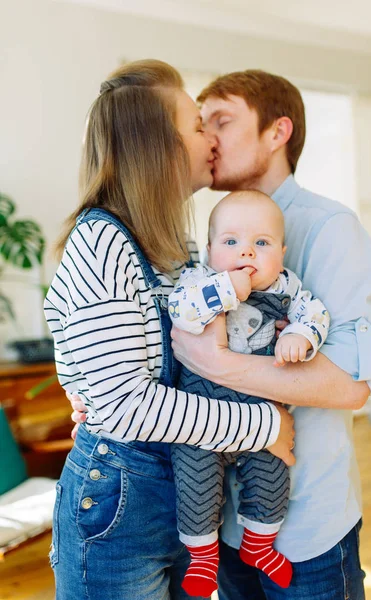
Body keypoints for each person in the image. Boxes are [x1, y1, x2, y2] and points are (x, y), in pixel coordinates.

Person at [44, 59, 295, 600]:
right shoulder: (102, 243)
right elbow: (123, 406)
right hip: (120, 507)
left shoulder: (175, 248)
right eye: (196, 124)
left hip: (177, 489)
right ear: (158, 143)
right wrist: (261, 427)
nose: (210, 137)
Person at [169, 70, 371, 600]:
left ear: (277, 132)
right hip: (224, 527)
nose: (209, 137)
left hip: (307, 526)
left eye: (223, 119)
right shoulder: (213, 237)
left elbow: (350, 385)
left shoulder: (331, 227)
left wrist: (215, 363)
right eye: (203, 123)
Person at [168, 189, 330, 596]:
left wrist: (300, 335)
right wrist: (226, 290)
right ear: (208, 250)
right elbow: (182, 312)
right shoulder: (199, 281)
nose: (247, 254)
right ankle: (204, 556)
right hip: (200, 422)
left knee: (273, 477)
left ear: (282, 251)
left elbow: (316, 312)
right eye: (231, 242)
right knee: (195, 484)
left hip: (262, 422)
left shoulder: (285, 286)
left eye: (262, 243)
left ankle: (259, 544)